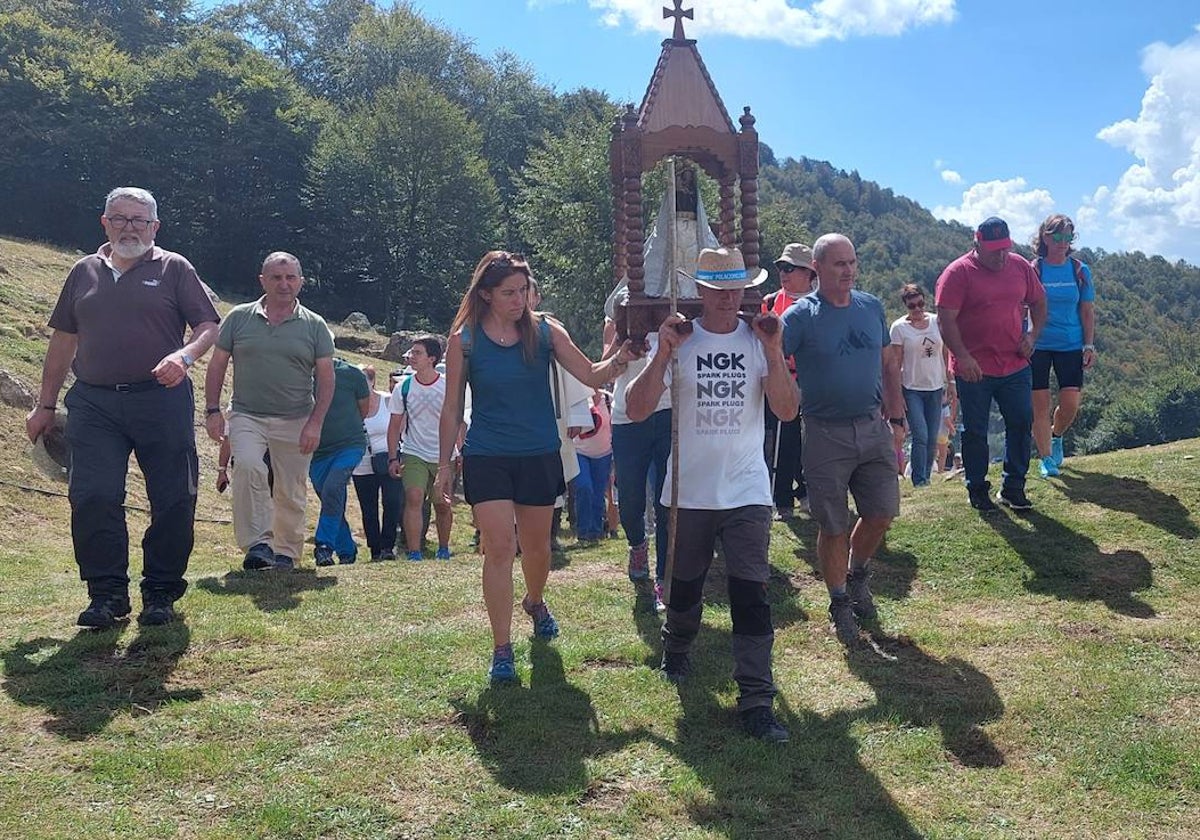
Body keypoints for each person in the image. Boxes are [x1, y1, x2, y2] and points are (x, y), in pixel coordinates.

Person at [435, 250, 639, 686]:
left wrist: (621, 358)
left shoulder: (546, 330)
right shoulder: (464, 340)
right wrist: (444, 466)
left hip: (539, 453)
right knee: (499, 547)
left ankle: (535, 600)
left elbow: (591, 374)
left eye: (524, 290)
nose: (519, 299)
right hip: (487, 454)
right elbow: (451, 407)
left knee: (538, 549)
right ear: (486, 294)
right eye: (509, 292)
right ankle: (502, 648)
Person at [25, 186, 220, 628]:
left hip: (161, 399)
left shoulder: (174, 268)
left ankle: (160, 592)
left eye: (139, 220)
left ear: (155, 227)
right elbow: (63, 340)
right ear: (104, 222)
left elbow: (208, 324)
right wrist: (45, 404)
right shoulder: (83, 271)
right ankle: (107, 594)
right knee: (92, 494)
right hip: (94, 403)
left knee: (174, 497)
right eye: (120, 218)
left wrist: (184, 357)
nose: (129, 227)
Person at [627, 245, 798, 743]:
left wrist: (771, 352)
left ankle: (757, 699)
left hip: (746, 489)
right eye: (718, 290)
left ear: (747, 289)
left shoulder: (759, 339)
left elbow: (787, 412)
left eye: (736, 289)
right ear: (700, 291)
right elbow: (637, 411)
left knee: (751, 593)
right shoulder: (681, 340)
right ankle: (677, 648)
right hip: (688, 491)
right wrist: (662, 353)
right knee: (684, 590)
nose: (728, 299)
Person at [781, 234, 905, 646]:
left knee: (882, 511)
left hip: (872, 427)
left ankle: (858, 575)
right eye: (839, 264)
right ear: (817, 268)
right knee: (832, 523)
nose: (849, 270)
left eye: (852, 262)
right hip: (823, 432)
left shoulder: (870, 307)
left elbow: (889, 364)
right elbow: (769, 354)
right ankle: (839, 603)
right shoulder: (800, 316)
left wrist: (898, 416)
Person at [204, 252, 335, 570]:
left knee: (290, 487)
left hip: (296, 417)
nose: (284, 284)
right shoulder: (238, 317)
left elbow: (327, 378)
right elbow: (217, 364)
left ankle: (286, 552)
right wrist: (212, 410)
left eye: (290, 277)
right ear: (262, 280)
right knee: (248, 466)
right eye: (276, 277)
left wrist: (315, 423)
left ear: (301, 282)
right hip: (248, 414)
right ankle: (258, 545)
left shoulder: (315, 325)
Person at [935, 218, 1047, 512]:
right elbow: (945, 319)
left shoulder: (1020, 266)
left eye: (1005, 249)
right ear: (977, 245)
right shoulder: (957, 273)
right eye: (993, 250)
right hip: (974, 368)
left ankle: (1013, 486)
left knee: (1022, 421)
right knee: (975, 430)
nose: (1000, 256)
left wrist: (1032, 335)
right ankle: (977, 487)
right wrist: (962, 355)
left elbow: (1039, 302)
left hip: (1015, 362)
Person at [604, 317, 672, 612]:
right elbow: (604, 368)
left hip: (670, 411)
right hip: (627, 418)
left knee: (666, 500)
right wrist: (621, 346)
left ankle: (664, 579)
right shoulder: (618, 318)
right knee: (630, 499)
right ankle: (637, 545)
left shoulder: (675, 309)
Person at [1029, 214, 1096, 478]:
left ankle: (1056, 436)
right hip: (1038, 345)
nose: (1062, 242)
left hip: (1070, 344)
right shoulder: (1034, 269)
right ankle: (1046, 458)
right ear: (1045, 237)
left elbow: (1087, 310)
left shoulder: (1080, 270)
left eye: (1068, 237)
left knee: (1070, 404)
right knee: (1040, 405)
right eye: (1057, 236)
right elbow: (1022, 307)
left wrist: (1088, 345)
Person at [388, 336, 458, 562]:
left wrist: (459, 451)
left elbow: (459, 421)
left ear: (432, 359)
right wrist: (393, 457)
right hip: (413, 451)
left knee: (441, 503)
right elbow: (395, 424)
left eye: (417, 353)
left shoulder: (447, 386)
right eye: (411, 352)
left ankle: (443, 548)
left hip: (443, 455)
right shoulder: (403, 387)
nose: (411, 356)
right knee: (414, 496)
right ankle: (414, 552)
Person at [762, 243, 816, 517]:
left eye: (790, 268)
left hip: (815, 382)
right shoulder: (770, 302)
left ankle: (807, 491)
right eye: (781, 267)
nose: (783, 273)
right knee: (782, 440)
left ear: (809, 272)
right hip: (781, 380)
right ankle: (783, 501)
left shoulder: (822, 302)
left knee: (812, 442)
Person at [309, 358, 370, 566]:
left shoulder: (352, 373)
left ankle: (323, 546)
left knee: (333, 489)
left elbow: (364, 410)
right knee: (330, 499)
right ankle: (347, 549)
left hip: (350, 445)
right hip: (316, 452)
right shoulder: (298, 375)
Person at [889, 283, 950, 487]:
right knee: (921, 434)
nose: (917, 309)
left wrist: (949, 381)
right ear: (906, 306)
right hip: (912, 388)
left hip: (935, 386)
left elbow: (945, 351)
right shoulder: (899, 328)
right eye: (912, 306)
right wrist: (897, 394)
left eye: (920, 304)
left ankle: (926, 476)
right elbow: (895, 363)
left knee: (932, 436)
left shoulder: (936, 322)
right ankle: (919, 479)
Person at [352, 365, 403, 561]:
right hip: (362, 463)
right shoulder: (350, 406)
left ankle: (388, 546)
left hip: (388, 458)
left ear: (372, 381)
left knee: (391, 502)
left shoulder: (388, 400)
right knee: (368, 507)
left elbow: (401, 424)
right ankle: (375, 548)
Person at [572, 389, 614, 543]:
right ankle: (582, 531)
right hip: (579, 452)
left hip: (604, 453)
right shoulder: (578, 399)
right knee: (584, 487)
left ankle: (595, 531)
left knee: (598, 493)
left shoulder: (609, 399)